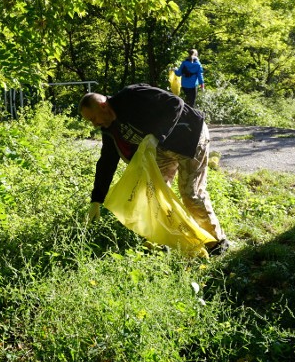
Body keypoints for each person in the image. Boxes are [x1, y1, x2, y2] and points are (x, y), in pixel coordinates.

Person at [80, 83, 228, 255]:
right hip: (162, 149)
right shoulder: (109, 129)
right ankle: (164, 240)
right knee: (152, 192)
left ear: (102, 105)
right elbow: (107, 161)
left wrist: (157, 135)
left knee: (190, 194)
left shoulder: (132, 96)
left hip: (191, 138)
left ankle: (217, 242)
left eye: (92, 118)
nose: (93, 124)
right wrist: (96, 200)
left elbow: (175, 103)